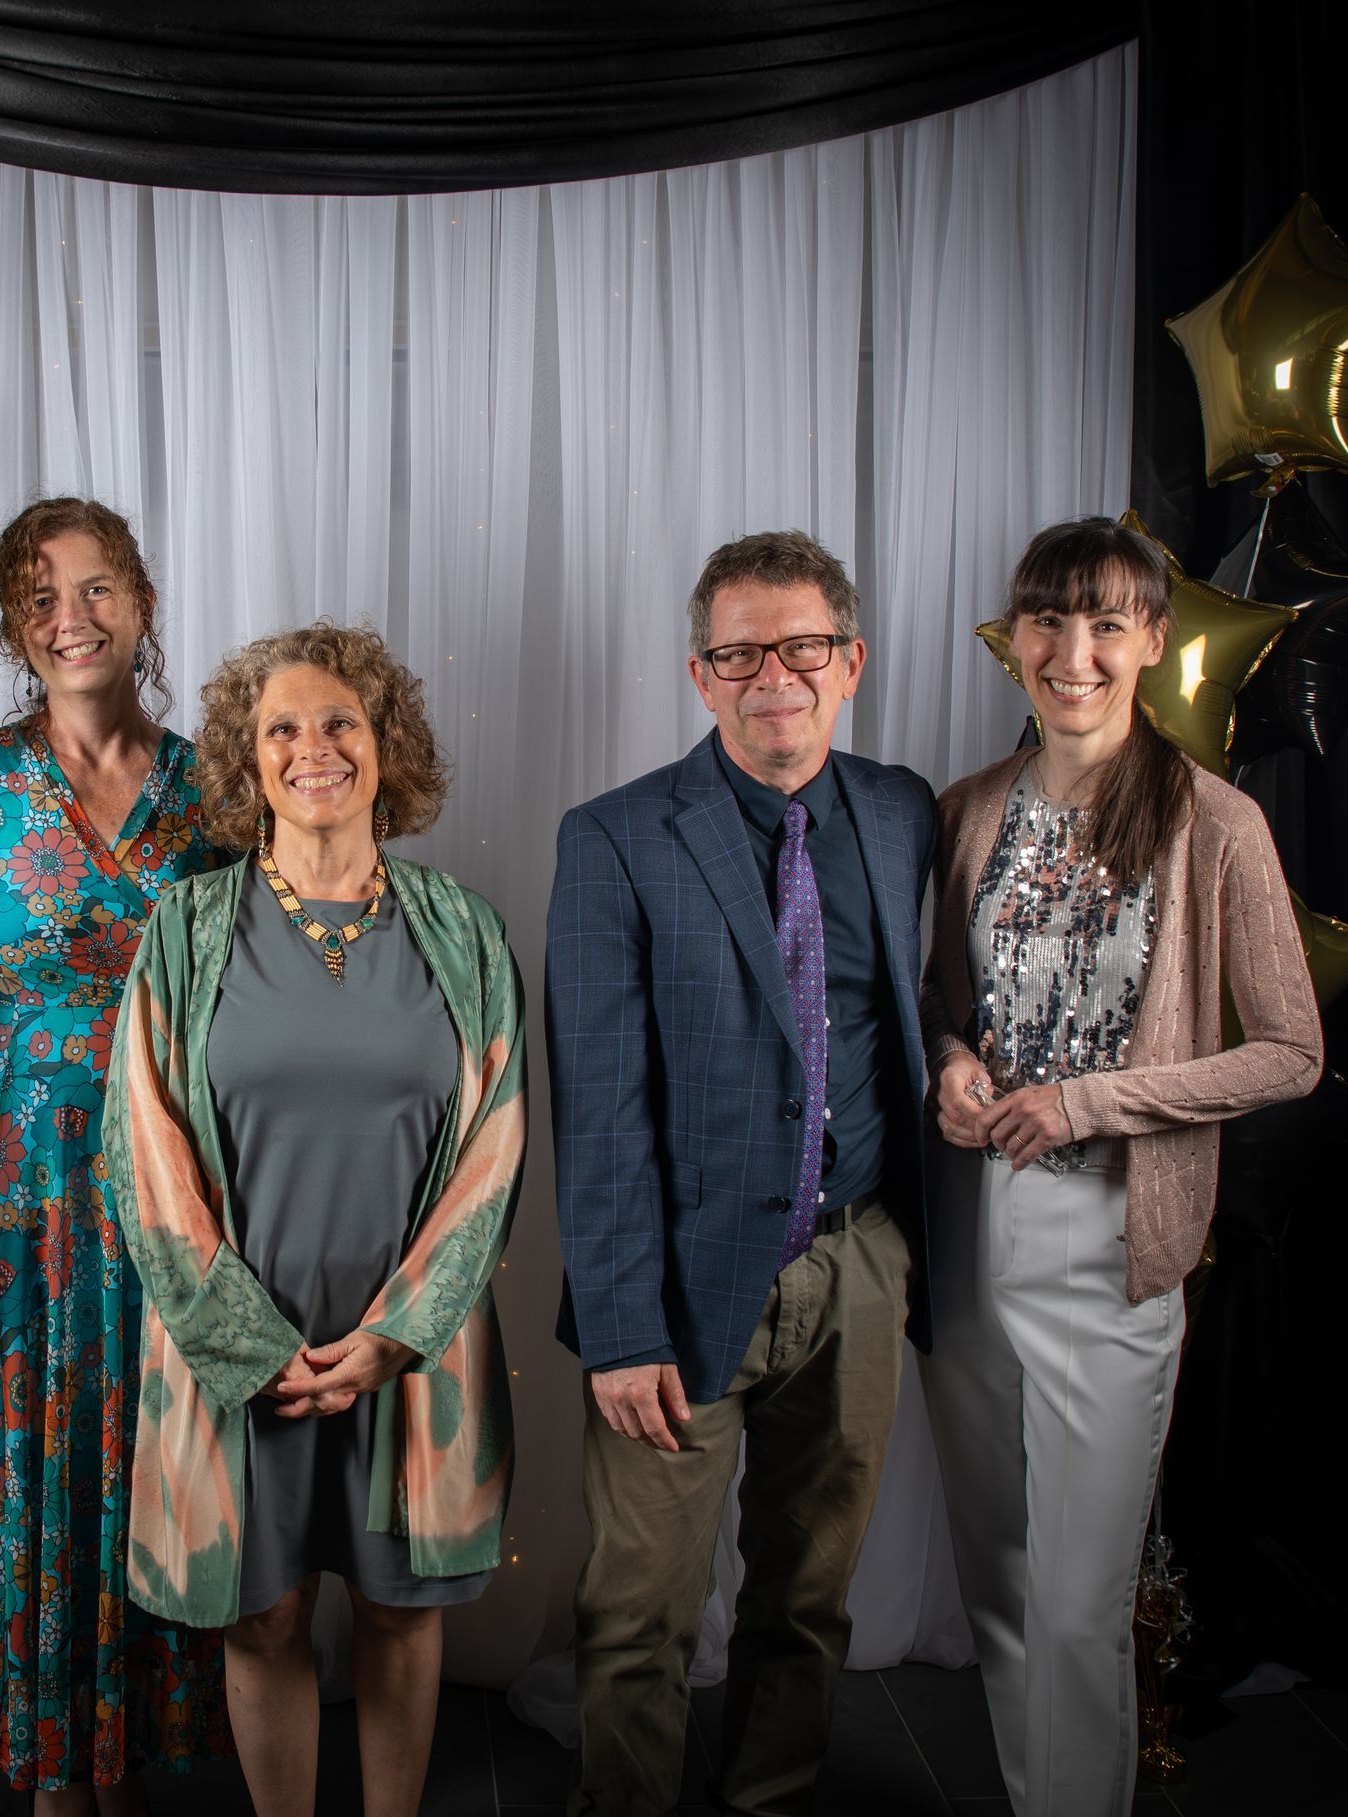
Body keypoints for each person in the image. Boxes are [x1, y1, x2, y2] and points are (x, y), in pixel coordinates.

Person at [918, 517, 1321, 1817]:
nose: (1073, 651)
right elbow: (931, 1008)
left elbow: (1291, 1055)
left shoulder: (1217, 822)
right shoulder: (968, 808)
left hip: (1114, 1257)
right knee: (1001, 1590)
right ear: (1014, 638)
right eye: (1048, 619)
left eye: (1104, 623)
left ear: (1153, 638)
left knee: (1080, 1607)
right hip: (972, 1256)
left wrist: (1095, 1096)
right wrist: (950, 1067)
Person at [102, 621, 526, 1817]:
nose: (313, 748)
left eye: (341, 721)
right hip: (241, 1355)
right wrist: (249, 1341)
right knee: (264, 1609)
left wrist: (406, 1327)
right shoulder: (185, 930)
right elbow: (143, 1155)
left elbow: (495, 1145)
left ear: (388, 745)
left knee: (400, 1607)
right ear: (247, 759)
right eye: (280, 728)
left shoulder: (465, 929)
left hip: (410, 1355)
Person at [546, 529, 937, 1817]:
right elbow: (596, 1107)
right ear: (701, 673)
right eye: (740, 651)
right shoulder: (614, 837)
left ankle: (769, 1797)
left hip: (861, 1259)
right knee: (638, 1616)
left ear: (851, 660)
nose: (776, 673)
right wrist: (617, 1329)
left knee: (806, 1597)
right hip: (676, 1282)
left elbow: (916, 1011)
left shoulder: (898, 809)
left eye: (803, 645)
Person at [0, 499, 233, 1811]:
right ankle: (47, 1761)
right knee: (27, 1445)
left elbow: (243, 993)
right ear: (11, 621)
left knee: (151, 1448)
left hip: (170, 1176)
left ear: (143, 606)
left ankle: (137, 1737)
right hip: (14, 1187)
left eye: (99, 588)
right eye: (41, 594)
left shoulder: (211, 783)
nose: (72, 615)